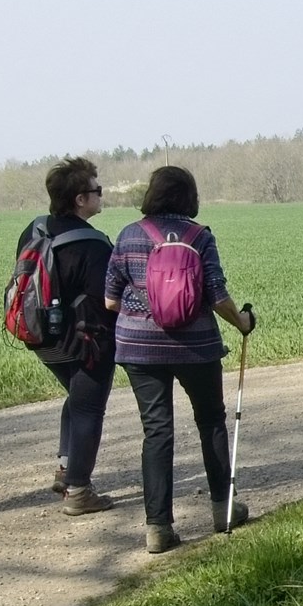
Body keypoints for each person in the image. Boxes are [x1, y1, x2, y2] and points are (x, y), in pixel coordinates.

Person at [104, 165, 258, 554]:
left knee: (157, 431)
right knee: (211, 422)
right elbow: (216, 293)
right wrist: (242, 322)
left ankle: (158, 528)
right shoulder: (199, 236)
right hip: (195, 347)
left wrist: (142, 310)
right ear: (189, 197)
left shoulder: (127, 235)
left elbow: (109, 299)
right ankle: (223, 510)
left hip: (138, 348)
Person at [26, 157, 118, 514]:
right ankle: (79, 491)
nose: (101, 195)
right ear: (80, 199)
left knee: (77, 400)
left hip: (38, 337)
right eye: (97, 190)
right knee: (88, 408)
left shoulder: (34, 229)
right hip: (84, 342)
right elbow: (110, 298)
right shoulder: (92, 244)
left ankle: (67, 468)